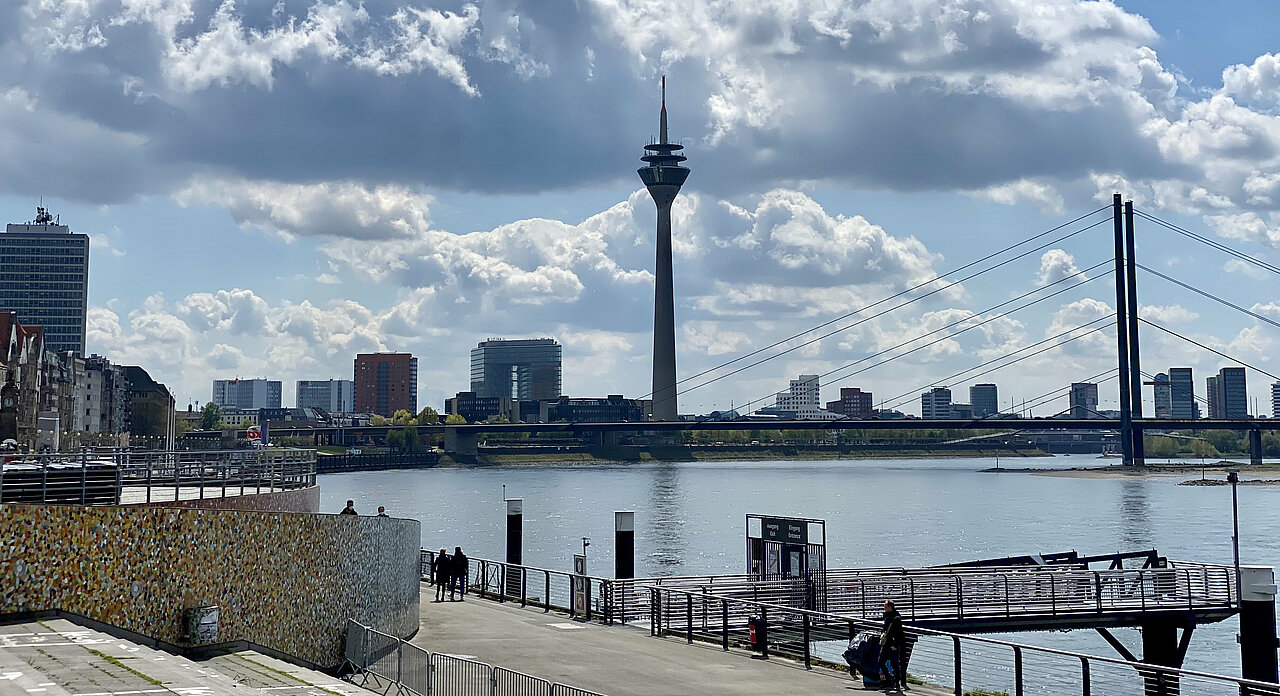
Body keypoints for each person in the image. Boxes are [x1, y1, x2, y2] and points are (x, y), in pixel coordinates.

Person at [880, 600, 907, 691]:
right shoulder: (886, 616)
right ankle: (889, 680)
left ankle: (896, 683)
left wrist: (895, 644)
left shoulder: (896, 618)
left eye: (885, 606)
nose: (884, 608)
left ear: (890, 607)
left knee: (895, 663)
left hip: (892, 644)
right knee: (881, 661)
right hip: (886, 643)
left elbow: (899, 633)